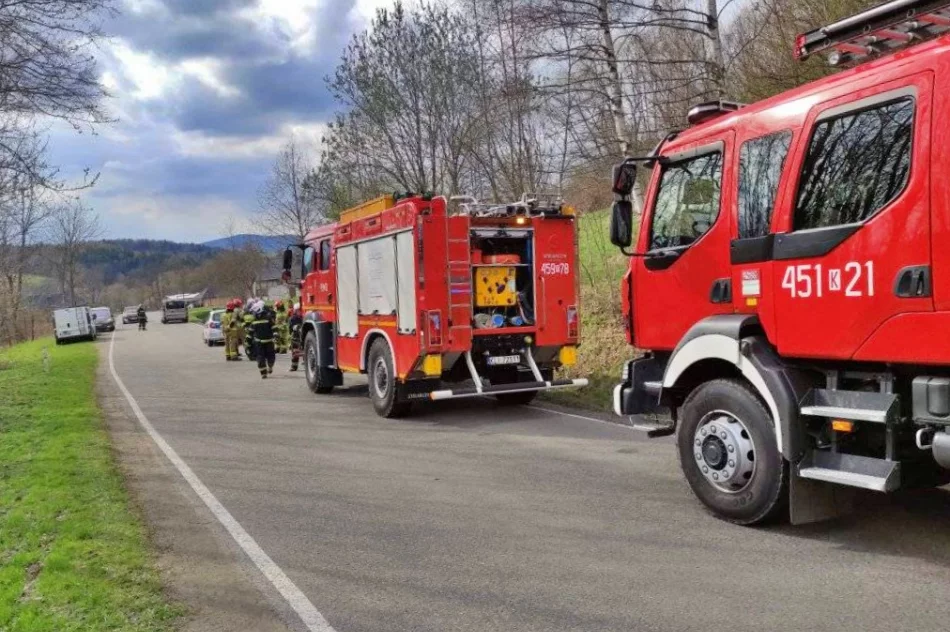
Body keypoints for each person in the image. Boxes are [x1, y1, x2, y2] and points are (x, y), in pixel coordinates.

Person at [250, 301, 277, 378]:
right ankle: (263, 373)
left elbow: (274, 327)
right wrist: (248, 341)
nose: (253, 313)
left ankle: (270, 366)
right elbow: (250, 331)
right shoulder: (254, 320)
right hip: (259, 343)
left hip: (269, 342)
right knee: (260, 358)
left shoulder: (268, 318)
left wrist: (276, 335)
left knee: (271, 357)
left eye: (254, 312)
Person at [288, 303, 303, 372]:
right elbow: (291, 328)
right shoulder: (293, 318)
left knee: (305, 350)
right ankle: (294, 366)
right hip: (295, 337)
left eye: (301, 310)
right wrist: (297, 327)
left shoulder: (304, 317)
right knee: (295, 352)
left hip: (303, 337)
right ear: (295, 311)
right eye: (299, 310)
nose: (300, 312)